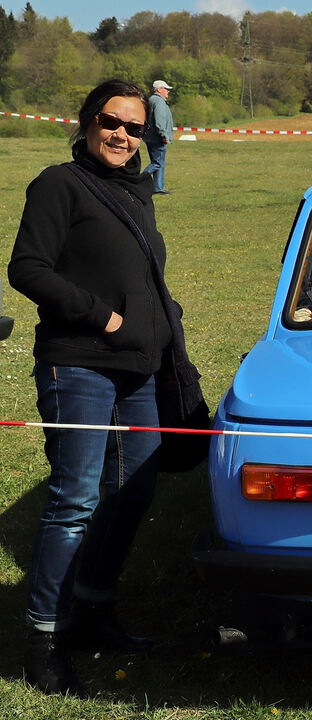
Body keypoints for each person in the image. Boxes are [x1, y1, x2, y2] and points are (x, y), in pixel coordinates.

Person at [8, 79, 171, 694]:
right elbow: (27, 267)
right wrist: (102, 316)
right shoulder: (59, 184)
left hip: (138, 366)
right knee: (76, 498)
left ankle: (94, 605)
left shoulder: (136, 191)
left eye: (135, 129)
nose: (122, 136)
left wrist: (157, 325)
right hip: (78, 362)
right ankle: (43, 638)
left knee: (134, 490)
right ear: (85, 122)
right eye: (111, 122)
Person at [145, 79, 174, 194]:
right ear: (159, 89)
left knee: (158, 162)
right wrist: (164, 135)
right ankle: (138, 180)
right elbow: (159, 121)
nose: (168, 91)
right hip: (157, 138)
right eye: (166, 89)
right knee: (157, 163)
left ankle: (158, 187)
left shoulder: (151, 100)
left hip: (150, 137)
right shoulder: (160, 102)